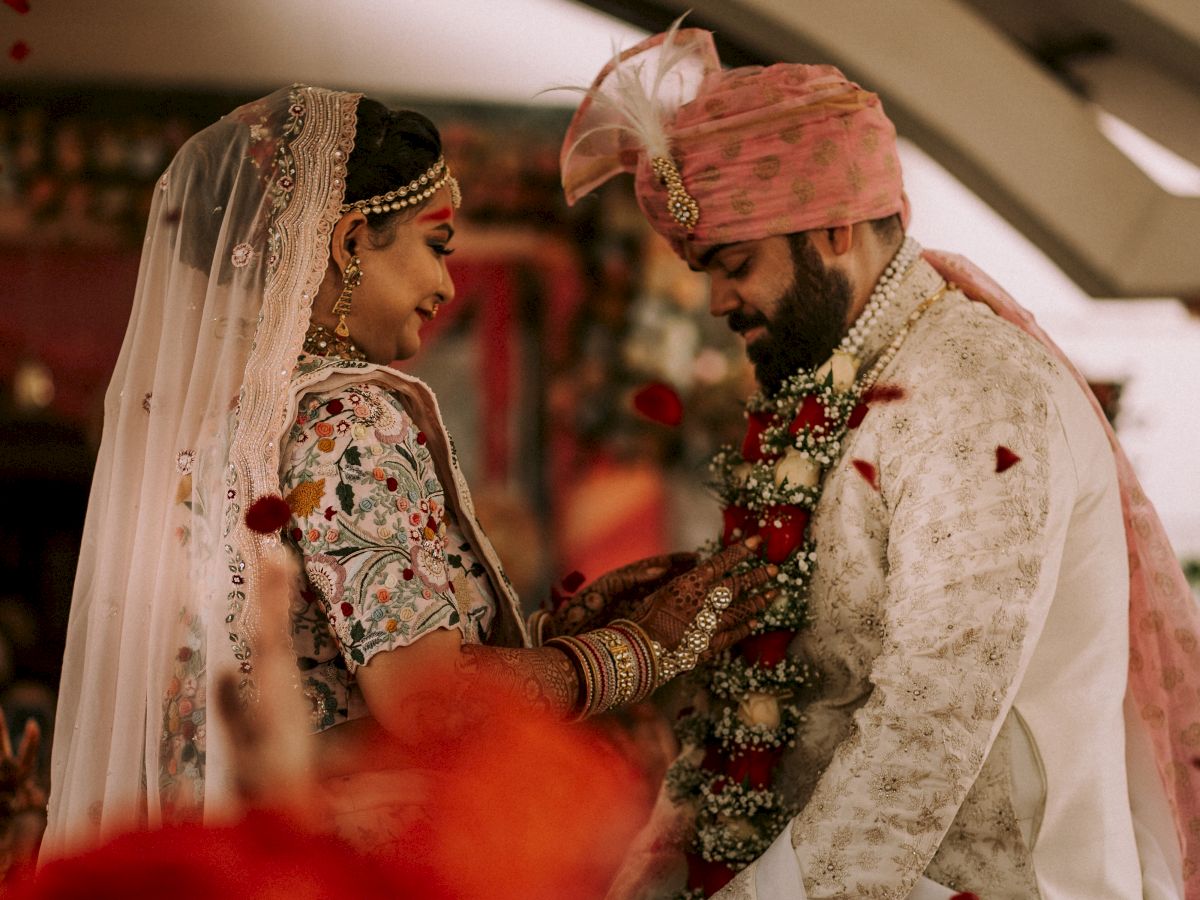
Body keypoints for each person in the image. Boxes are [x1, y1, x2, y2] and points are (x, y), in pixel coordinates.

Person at [41, 85, 776, 864]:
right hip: (365, 860)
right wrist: (641, 651)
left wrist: (561, 636)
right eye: (437, 245)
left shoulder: (219, 432)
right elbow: (430, 701)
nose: (446, 286)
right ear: (352, 240)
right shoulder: (349, 419)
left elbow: (325, 672)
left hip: (252, 851)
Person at [560, 24, 1200, 900]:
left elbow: (928, 721)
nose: (716, 302)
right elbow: (801, 680)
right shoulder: (841, 383)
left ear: (830, 228)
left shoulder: (977, 391)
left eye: (734, 263)